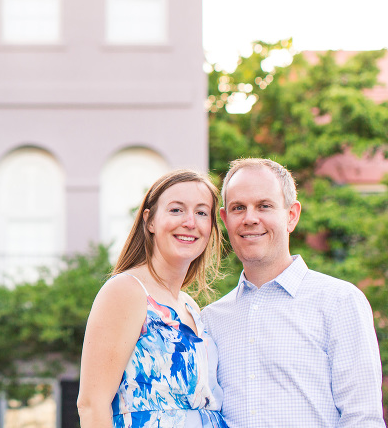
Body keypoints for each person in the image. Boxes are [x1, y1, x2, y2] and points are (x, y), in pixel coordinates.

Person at [202, 158, 385, 428]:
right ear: (225, 219)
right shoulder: (211, 320)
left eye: (264, 206)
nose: (250, 218)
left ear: (292, 215)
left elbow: (362, 420)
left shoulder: (340, 302)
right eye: (238, 208)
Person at [77, 169, 228, 428]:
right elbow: (92, 406)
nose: (190, 222)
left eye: (202, 212)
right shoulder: (126, 291)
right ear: (150, 221)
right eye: (176, 210)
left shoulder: (190, 306)